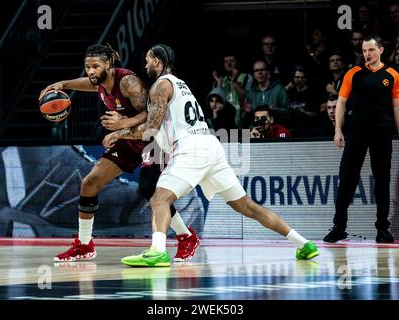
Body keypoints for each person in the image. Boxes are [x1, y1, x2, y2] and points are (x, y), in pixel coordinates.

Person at [103, 44, 320, 267]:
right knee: (248, 206)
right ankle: (303, 244)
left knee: (159, 198)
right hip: (209, 145)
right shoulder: (181, 84)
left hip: (191, 148)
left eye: (148, 60)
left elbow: (151, 128)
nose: (146, 65)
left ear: (157, 61)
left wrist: (119, 133)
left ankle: (157, 251)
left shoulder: (160, 86)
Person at [39, 43, 200, 262]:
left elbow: (149, 112)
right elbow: (89, 84)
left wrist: (123, 125)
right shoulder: (101, 82)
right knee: (90, 182)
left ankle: (185, 236)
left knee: (148, 189)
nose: (91, 72)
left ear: (109, 65)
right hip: (125, 139)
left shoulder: (128, 83)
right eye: (87, 67)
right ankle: (85, 245)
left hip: (146, 138)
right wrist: (64, 84)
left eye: (95, 66)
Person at [323, 35, 399, 244]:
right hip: (356, 133)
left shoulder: (392, 75)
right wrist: (338, 130)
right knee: (347, 180)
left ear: (380, 50)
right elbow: (341, 102)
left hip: (381, 133)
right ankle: (339, 227)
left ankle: (382, 229)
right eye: (364, 51)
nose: (367, 54)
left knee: (382, 182)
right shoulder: (353, 73)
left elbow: (398, 106)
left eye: (371, 50)